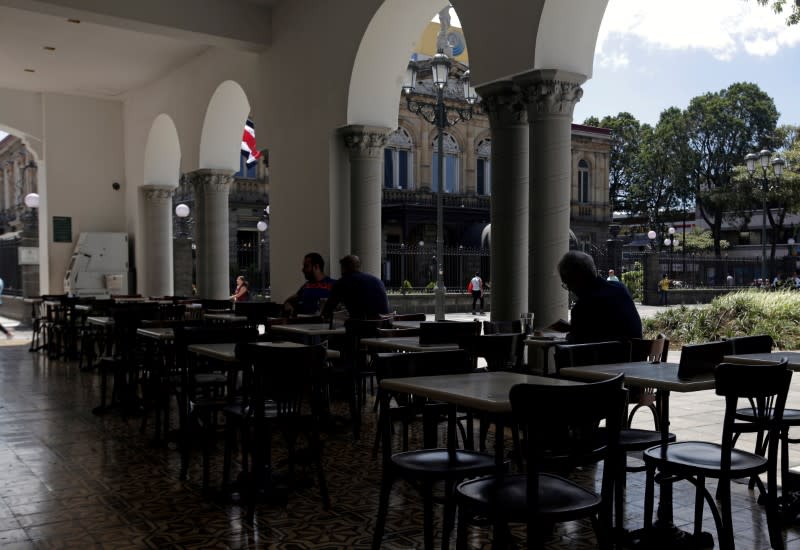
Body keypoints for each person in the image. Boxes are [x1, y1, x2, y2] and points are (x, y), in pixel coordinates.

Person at [557, 250, 642, 344]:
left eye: (567, 283)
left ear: (576, 279)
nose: (569, 289)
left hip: (606, 357)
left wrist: (571, 333)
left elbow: (576, 345)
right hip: (635, 354)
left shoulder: (583, 307)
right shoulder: (620, 288)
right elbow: (606, 327)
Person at [321, 254, 389, 320]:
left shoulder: (343, 282)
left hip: (360, 327)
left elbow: (327, 311)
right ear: (359, 266)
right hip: (383, 327)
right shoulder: (377, 280)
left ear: (343, 268)